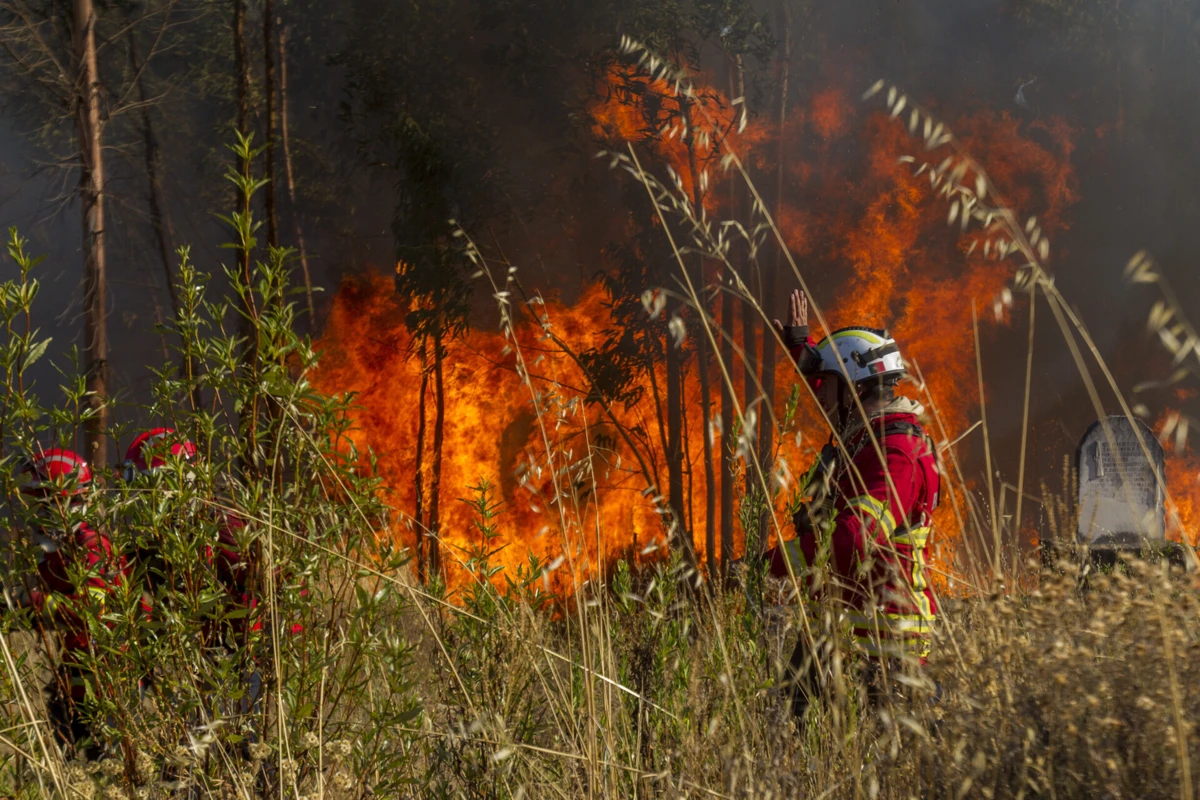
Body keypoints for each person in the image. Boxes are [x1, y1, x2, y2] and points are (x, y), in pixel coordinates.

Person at [765, 289, 940, 719]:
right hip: (843, 626)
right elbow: (837, 396)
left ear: (856, 389)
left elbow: (851, 541)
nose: (820, 398)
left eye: (828, 386)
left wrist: (770, 564)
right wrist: (802, 351)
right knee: (787, 728)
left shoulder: (895, 452)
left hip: (887, 642)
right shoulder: (867, 434)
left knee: (898, 762)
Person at [14, 447, 130, 758]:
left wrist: (27, 603)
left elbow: (88, 614)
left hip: (108, 682)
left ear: (62, 501)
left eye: (41, 501)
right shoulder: (62, 548)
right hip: (80, 678)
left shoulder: (92, 547)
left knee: (111, 771)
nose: (35, 511)